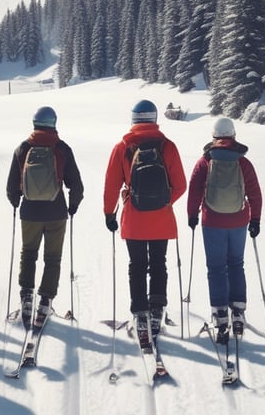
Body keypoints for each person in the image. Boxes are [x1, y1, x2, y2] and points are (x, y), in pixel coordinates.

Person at [103, 99, 186, 347]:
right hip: (161, 219)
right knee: (158, 263)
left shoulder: (123, 147)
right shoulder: (167, 146)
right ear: (154, 118)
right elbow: (181, 185)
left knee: (137, 266)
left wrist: (110, 213)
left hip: (134, 219)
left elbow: (111, 184)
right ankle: (157, 310)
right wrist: (163, 201)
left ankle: (140, 313)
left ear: (134, 119)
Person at [6, 106, 84, 329]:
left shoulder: (23, 148)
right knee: (53, 258)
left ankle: (26, 297)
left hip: (29, 213)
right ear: (54, 123)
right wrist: (73, 206)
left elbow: (12, 186)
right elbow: (76, 185)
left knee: (28, 253)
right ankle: (45, 301)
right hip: (56, 212)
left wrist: (16, 201)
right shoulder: (62, 149)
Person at [186, 116, 262, 344]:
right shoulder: (243, 162)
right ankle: (238, 311)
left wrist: (192, 215)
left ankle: (220, 315)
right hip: (239, 220)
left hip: (213, 221)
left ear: (214, 137)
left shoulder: (205, 161)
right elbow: (255, 192)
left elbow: (194, 189)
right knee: (236, 263)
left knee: (216, 268)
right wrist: (255, 219)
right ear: (233, 136)